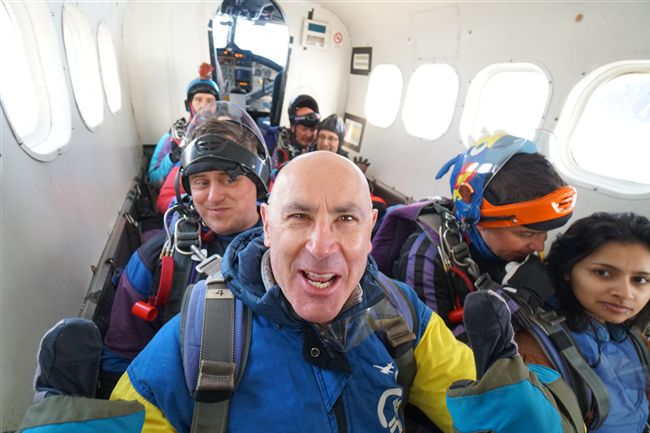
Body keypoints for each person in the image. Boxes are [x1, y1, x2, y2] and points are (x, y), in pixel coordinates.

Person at [111, 151, 477, 433]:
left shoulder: (403, 315)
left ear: (369, 232)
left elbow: (478, 415)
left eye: (346, 219)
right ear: (268, 226)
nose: (321, 247)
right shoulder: (198, 339)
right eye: (299, 216)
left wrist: (506, 402)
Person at [101, 101, 269, 396]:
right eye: (201, 182)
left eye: (229, 178)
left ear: (259, 180)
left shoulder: (290, 254)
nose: (213, 196)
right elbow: (122, 359)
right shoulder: (155, 260)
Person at [374, 132, 577, 338]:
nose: (540, 246)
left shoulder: (520, 249)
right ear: (476, 220)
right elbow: (429, 350)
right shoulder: (425, 258)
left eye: (545, 232)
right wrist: (515, 302)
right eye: (525, 233)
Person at [516, 212, 650, 433]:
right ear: (567, 270)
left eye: (641, 280)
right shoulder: (535, 349)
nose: (625, 293)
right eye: (603, 273)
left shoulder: (631, 336)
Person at [148, 62, 220, 188]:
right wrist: (174, 157)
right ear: (189, 104)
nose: (204, 105)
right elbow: (154, 179)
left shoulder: (224, 134)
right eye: (198, 100)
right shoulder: (175, 137)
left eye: (210, 101)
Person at [269, 94, 320, 178]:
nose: (309, 134)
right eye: (304, 129)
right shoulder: (273, 138)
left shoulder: (321, 145)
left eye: (313, 129)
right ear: (292, 127)